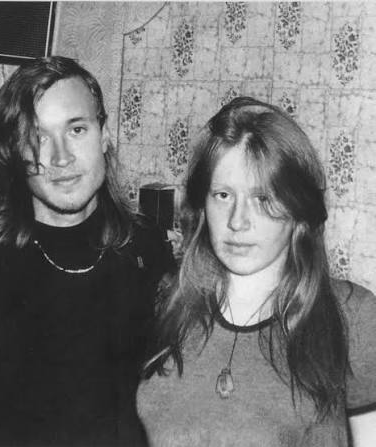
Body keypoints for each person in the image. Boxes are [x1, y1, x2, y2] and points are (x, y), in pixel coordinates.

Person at [0, 56, 173, 446]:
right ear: (14, 151)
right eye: (38, 137)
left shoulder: (148, 252)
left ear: (105, 135)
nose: (61, 157)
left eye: (76, 129)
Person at [137, 97, 376, 447]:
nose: (238, 221)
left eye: (262, 199)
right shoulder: (166, 302)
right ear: (202, 205)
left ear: (298, 208)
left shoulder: (353, 316)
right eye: (223, 195)